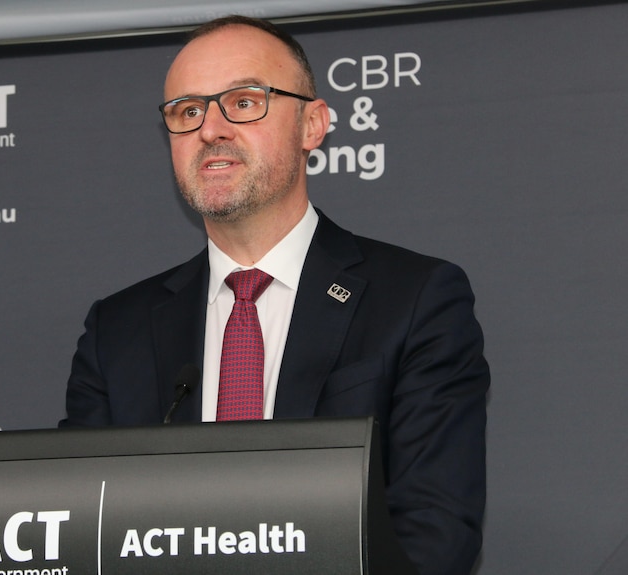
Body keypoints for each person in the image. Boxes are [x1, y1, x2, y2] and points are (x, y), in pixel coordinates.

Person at [60, 15, 489, 575]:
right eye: (188, 111)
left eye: (243, 102)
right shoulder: (116, 332)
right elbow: (78, 536)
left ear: (313, 125)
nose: (210, 129)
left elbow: (435, 534)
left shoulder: (415, 300)